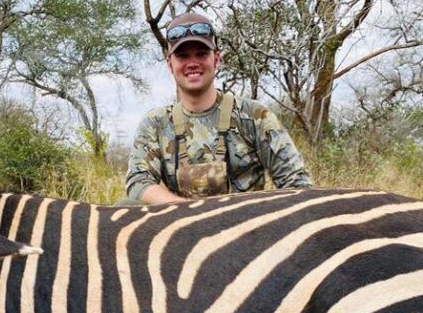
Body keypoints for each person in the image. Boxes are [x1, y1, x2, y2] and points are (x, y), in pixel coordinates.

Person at [125, 12, 312, 204]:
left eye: (201, 54)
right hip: (182, 227)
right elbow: (138, 182)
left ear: (217, 59)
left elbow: (297, 183)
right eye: (182, 56)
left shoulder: (254, 114)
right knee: (126, 206)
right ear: (170, 65)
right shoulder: (156, 123)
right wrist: (187, 212)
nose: (192, 63)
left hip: (246, 228)